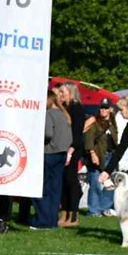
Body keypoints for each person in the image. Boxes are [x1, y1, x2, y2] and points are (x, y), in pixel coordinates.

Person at [32, 92, 71, 229]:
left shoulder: (48, 114)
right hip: (61, 154)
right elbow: (69, 138)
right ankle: (52, 220)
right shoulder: (63, 115)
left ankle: (43, 221)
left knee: (42, 189)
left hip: (48, 153)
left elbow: (47, 133)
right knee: (55, 190)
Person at [53, 81, 85, 227]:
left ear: (71, 93)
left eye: (62, 93)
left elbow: (77, 132)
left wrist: (71, 150)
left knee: (71, 181)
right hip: (63, 147)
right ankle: (64, 212)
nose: (60, 95)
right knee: (64, 180)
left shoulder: (77, 108)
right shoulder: (64, 108)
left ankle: (73, 215)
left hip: (73, 148)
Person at [84, 98, 118, 217]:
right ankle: (94, 210)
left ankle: (105, 207)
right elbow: (88, 139)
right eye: (102, 107)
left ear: (110, 109)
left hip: (111, 155)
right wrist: (92, 153)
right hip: (98, 155)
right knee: (96, 183)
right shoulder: (94, 121)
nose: (103, 110)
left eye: (106, 108)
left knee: (110, 184)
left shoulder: (113, 122)